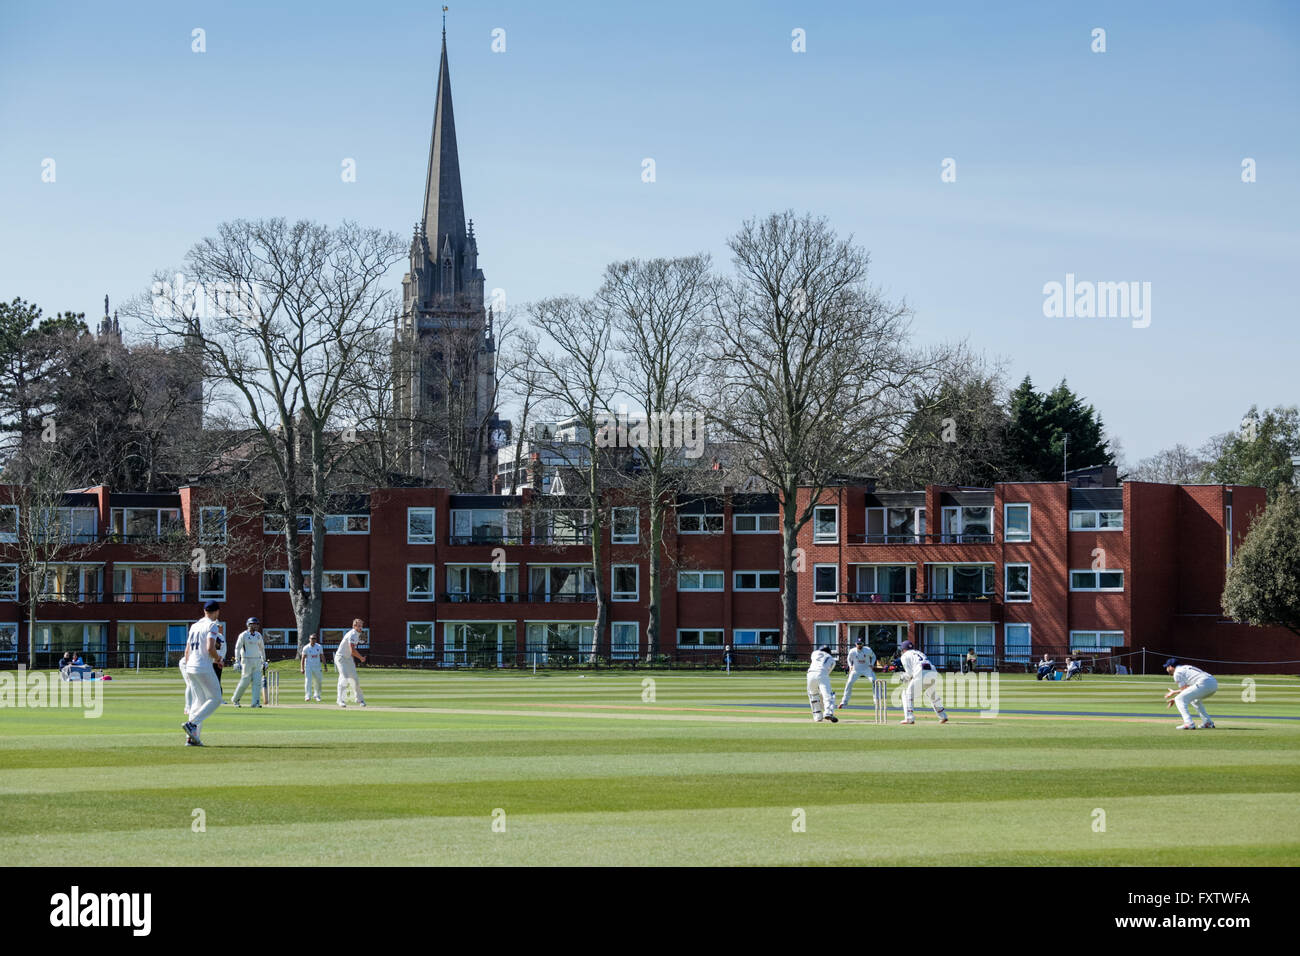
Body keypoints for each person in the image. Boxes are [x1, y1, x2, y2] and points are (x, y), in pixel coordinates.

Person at [181, 601, 224, 746]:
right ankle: (192, 724)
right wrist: (218, 659)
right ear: (217, 612)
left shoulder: (194, 626)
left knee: (198, 702)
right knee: (216, 698)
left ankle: (192, 739)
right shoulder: (212, 625)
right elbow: (210, 647)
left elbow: (187, 650)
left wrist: (188, 667)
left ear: (204, 611)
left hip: (190, 666)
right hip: (202, 666)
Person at [898, 640, 948, 725]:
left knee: (907, 694)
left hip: (921, 672)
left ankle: (909, 718)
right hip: (932, 672)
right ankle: (943, 716)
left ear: (903, 649)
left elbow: (909, 673)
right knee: (931, 694)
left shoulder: (905, 656)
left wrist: (903, 677)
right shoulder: (919, 652)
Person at [1164, 658, 1217, 730]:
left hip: (1203, 683)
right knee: (1194, 700)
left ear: (1171, 667)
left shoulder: (1177, 673)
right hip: (1213, 683)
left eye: (1167, 667)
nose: (1166, 669)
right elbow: (1188, 689)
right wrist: (1175, 692)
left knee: (1179, 699)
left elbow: (1184, 691)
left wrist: (1175, 698)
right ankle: (1207, 722)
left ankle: (1189, 723)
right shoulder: (1185, 667)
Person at [231, 617, 267, 708]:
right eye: (254, 624)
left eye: (257, 624)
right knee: (245, 681)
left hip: (257, 660)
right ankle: (235, 699)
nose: (256, 626)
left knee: (257, 682)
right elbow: (237, 648)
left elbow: (262, 649)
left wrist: (264, 661)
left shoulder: (258, 635)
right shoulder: (243, 635)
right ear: (249, 625)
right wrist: (237, 661)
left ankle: (255, 703)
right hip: (246, 660)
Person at [335, 619, 367, 708]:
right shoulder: (352, 634)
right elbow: (352, 650)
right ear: (354, 626)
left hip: (348, 658)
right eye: (359, 626)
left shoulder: (357, 634)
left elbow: (351, 651)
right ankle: (340, 700)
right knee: (344, 677)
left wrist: (352, 661)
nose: (361, 627)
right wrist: (361, 658)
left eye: (361, 625)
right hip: (340, 658)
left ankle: (359, 699)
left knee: (355, 679)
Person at [806, 644, 838, 723]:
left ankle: (817, 716)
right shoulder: (832, 660)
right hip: (822, 673)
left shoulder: (814, 653)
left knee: (813, 695)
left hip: (810, 674)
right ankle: (828, 712)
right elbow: (827, 672)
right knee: (828, 695)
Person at [841, 637, 876, 707]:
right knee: (849, 682)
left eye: (861, 644)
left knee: (874, 681)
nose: (859, 645)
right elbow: (848, 659)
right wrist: (850, 665)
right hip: (856, 670)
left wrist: (872, 664)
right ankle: (844, 701)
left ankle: (876, 701)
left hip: (867, 669)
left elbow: (874, 656)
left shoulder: (868, 650)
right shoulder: (852, 651)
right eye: (858, 644)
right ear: (855, 644)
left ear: (863, 644)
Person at [301, 632, 324, 701]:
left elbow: (322, 656)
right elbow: (303, 658)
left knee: (318, 681)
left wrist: (325, 666)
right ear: (309, 639)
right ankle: (307, 696)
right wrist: (302, 668)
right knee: (308, 681)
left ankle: (317, 696)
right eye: (312, 638)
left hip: (317, 667)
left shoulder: (319, 647)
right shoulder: (306, 648)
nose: (313, 640)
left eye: (314, 639)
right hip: (308, 667)